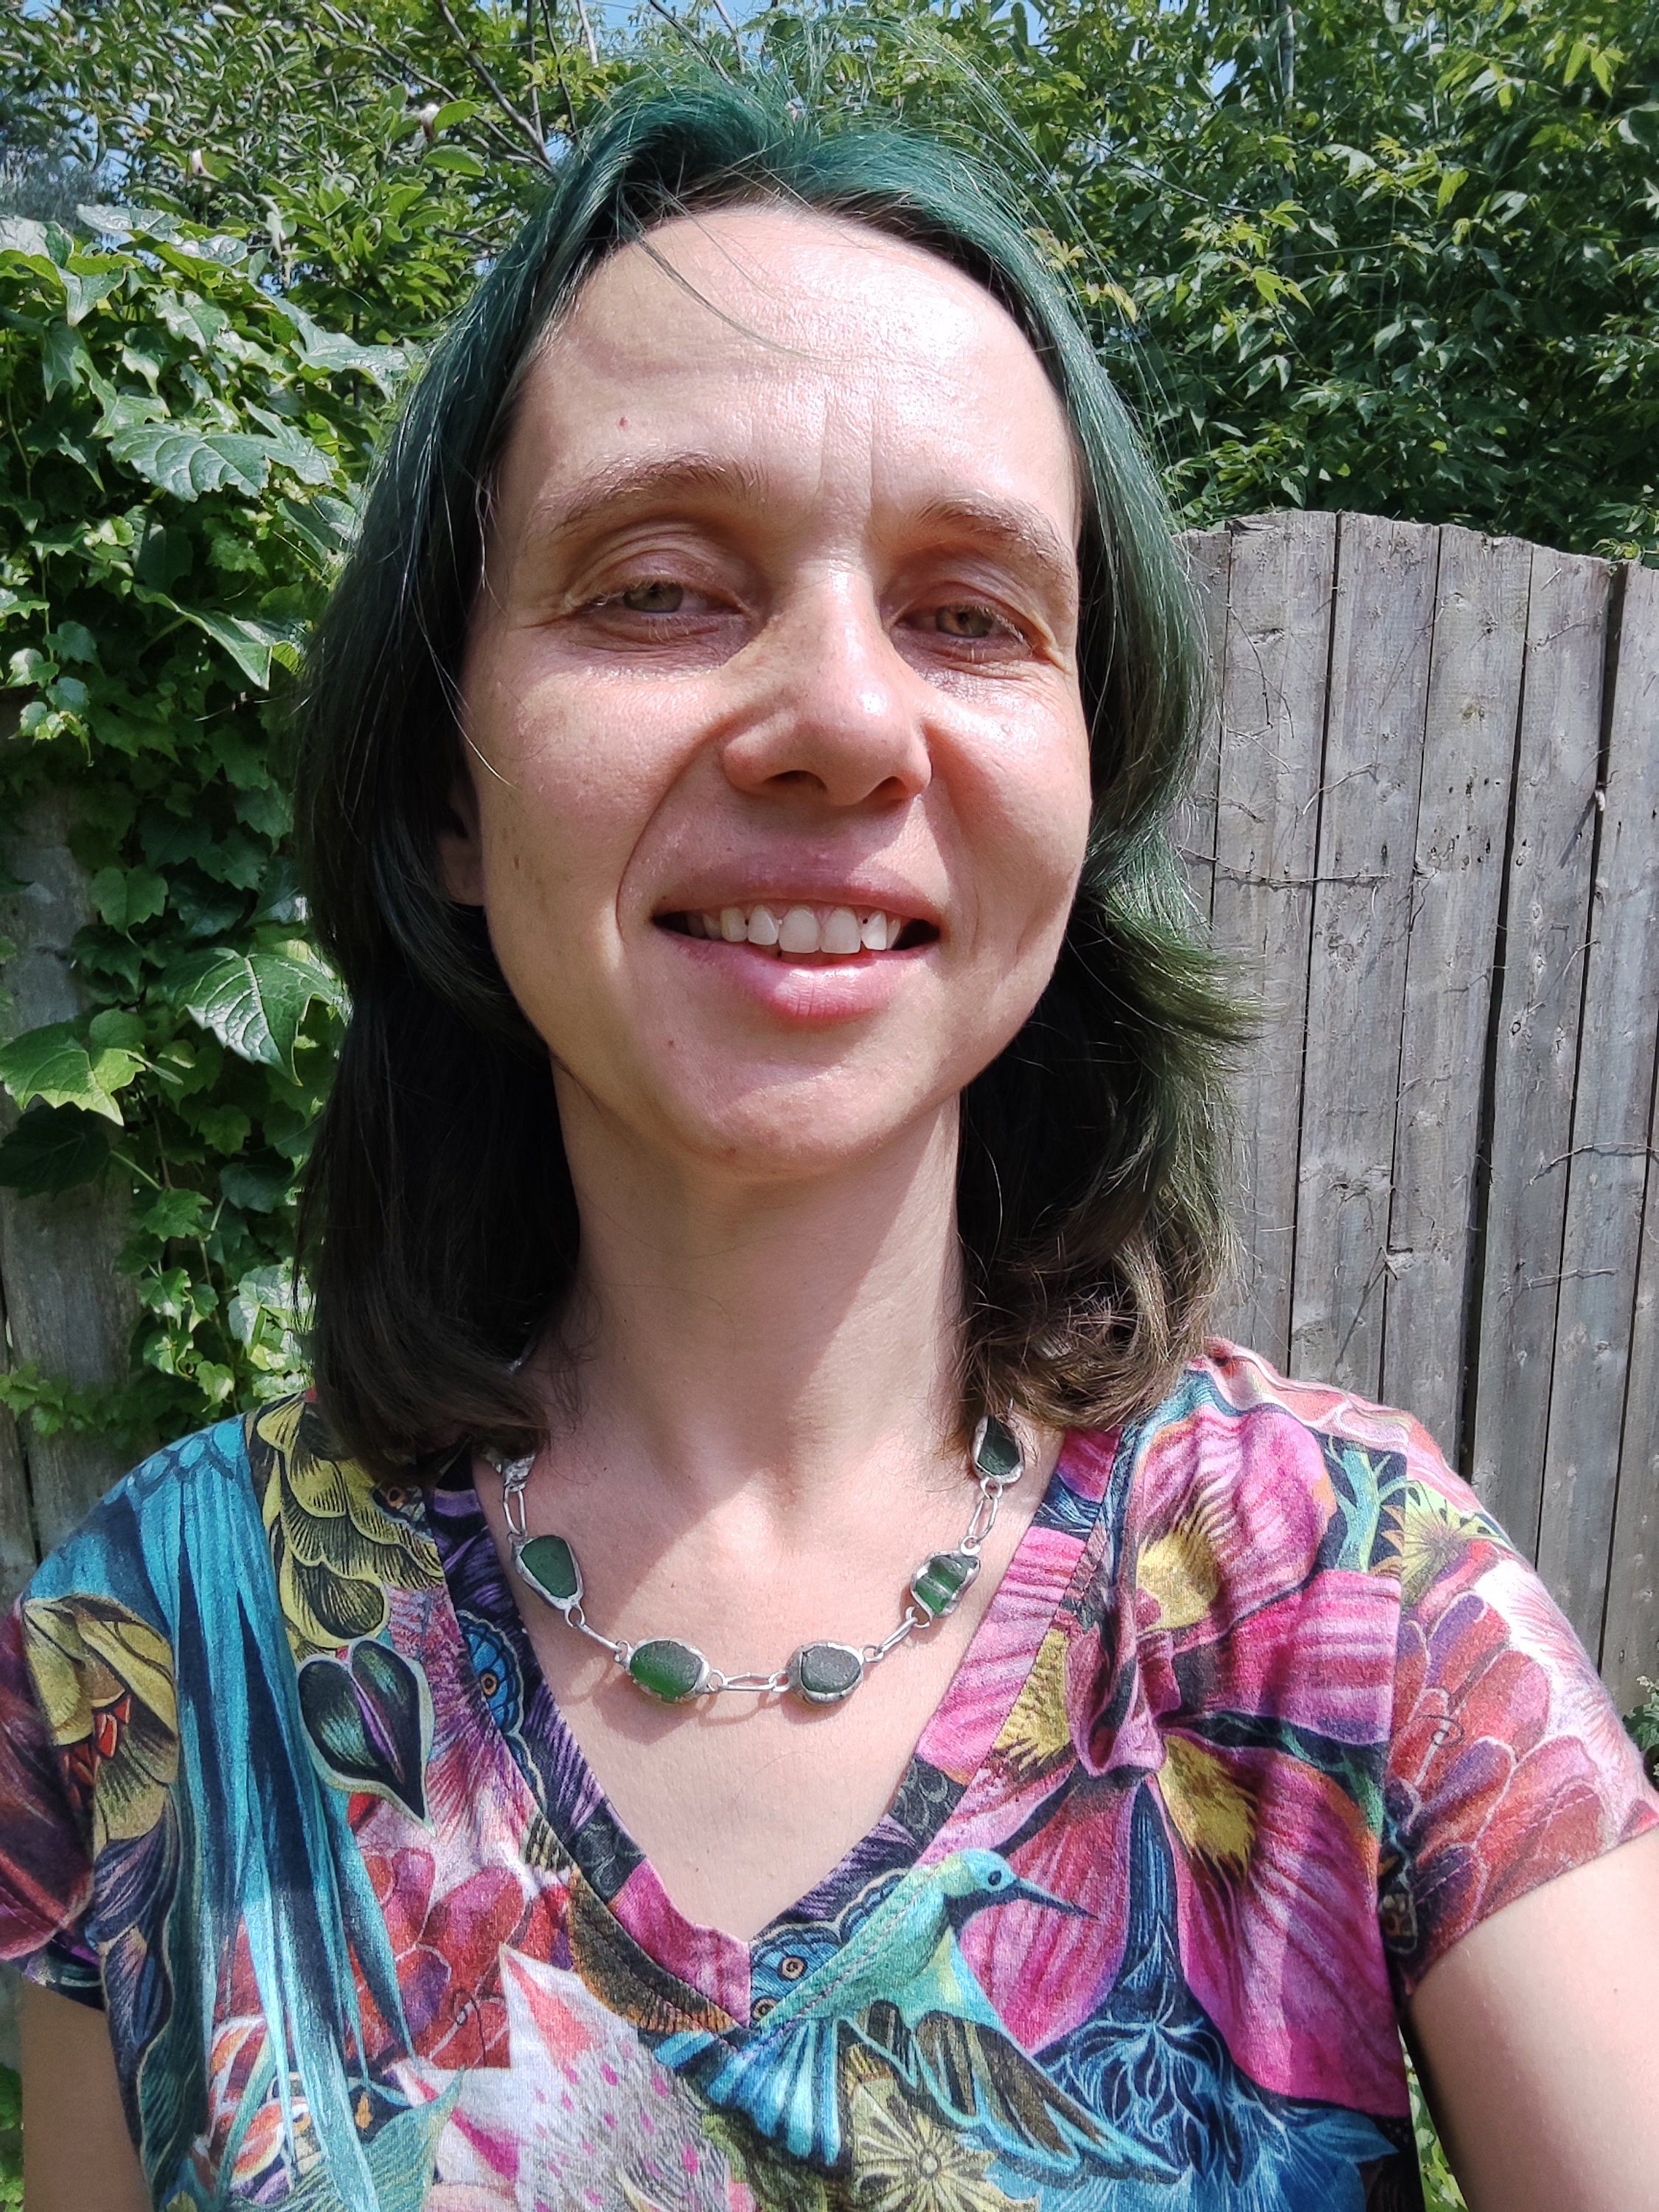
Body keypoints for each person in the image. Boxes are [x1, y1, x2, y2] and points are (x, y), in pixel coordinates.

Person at [5, 78, 1658, 2212]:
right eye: (659, 588)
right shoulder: (153, 1652)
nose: (848, 724)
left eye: (971, 616)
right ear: (445, 789)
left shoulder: (1350, 1594)